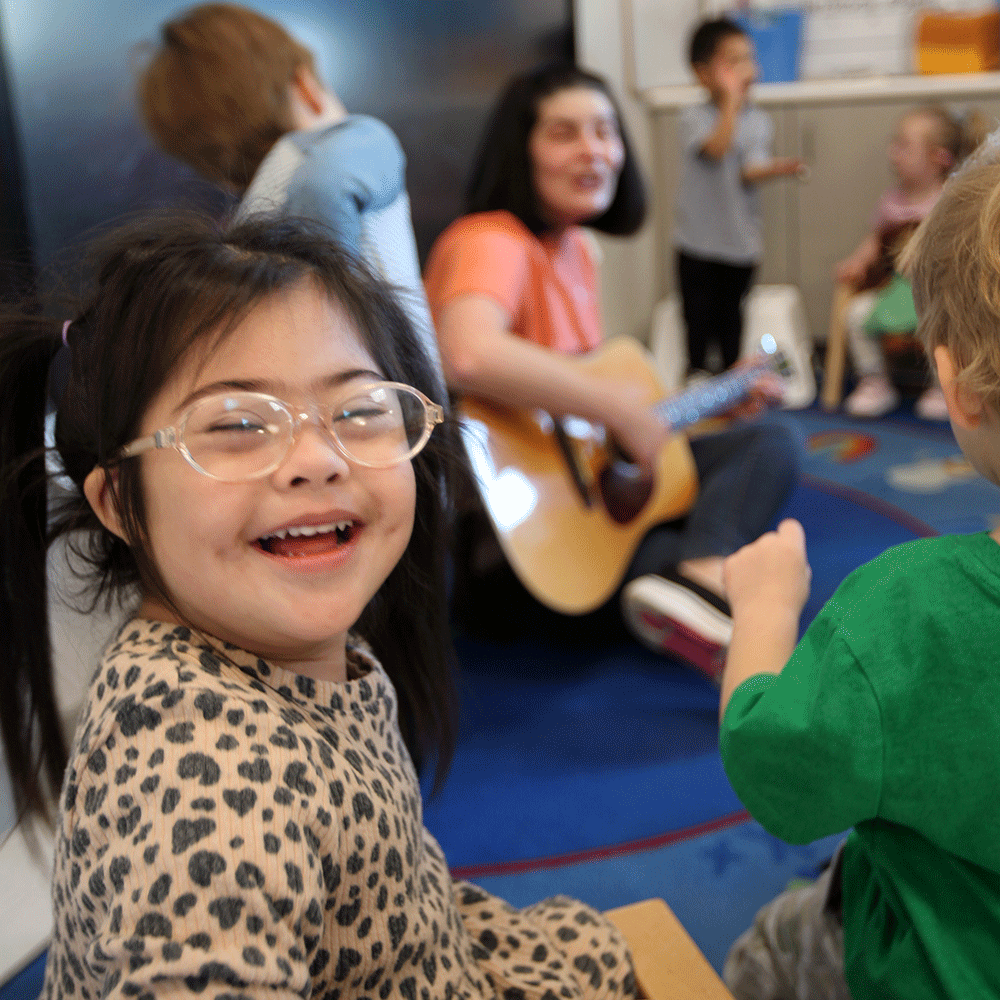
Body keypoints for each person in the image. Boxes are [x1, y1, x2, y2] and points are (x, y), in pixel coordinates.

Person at [0, 213, 637, 1000]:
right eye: (236, 424)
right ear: (119, 502)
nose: (317, 459)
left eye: (361, 409)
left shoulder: (285, 650)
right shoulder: (206, 793)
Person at [716, 143, 1000, 999]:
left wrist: (763, 611)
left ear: (955, 381)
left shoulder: (909, 612)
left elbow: (779, 775)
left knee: (774, 941)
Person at [423, 62, 800, 682]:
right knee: (741, 545)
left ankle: (694, 580)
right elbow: (468, 354)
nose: (594, 151)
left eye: (604, 131)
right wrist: (624, 410)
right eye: (564, 133)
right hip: (518, 549)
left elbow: (578, 418)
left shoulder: (577, 249)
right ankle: (700, 581)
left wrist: (706, 403)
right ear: (522, 152)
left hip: (582, 507)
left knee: (767, 444)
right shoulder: (490, 238)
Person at [138, 2, 443, 390]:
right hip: (401, 398)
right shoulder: (353, 139)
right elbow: (326, 182)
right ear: (307, 86)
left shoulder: (242, 226)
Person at [673, 18, 804, 379]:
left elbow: (749, 169)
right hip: (697, 242)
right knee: (697, 318)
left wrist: (777, 168)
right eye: (732, 62)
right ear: (702, 74)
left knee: (732, 318)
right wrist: (730, 102)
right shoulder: (693, 117)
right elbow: (717, 148)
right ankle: (696, 376)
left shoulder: (759, 120)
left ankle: (731, 383)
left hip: (740, 242)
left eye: (748, 59)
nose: (746, 69)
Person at [835, 105, 983, 421]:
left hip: (937, 293)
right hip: (896, 291)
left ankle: (943, 384)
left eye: (903, 145)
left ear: (939, 158)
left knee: (947, 323)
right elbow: (875, 242)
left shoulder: (950, 199)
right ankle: (874, 381)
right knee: (857, 314)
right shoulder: (892, 200)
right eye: (894, 143)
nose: (893, 152)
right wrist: (857, 262)